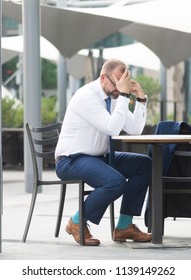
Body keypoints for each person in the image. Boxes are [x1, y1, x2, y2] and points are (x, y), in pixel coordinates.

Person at [55, 58, 152, 246]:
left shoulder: (115, 97)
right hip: (71, 159)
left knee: (144, 164)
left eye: (124, 81)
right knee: (114, 182)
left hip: (99, 158)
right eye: (116, 81)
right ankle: (76, 221)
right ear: (102, 77)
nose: (120, 86)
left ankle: (124, 226)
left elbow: (135, 129)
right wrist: (124, 95)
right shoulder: (86, 96)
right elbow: (112, 129)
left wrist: (140, 99)